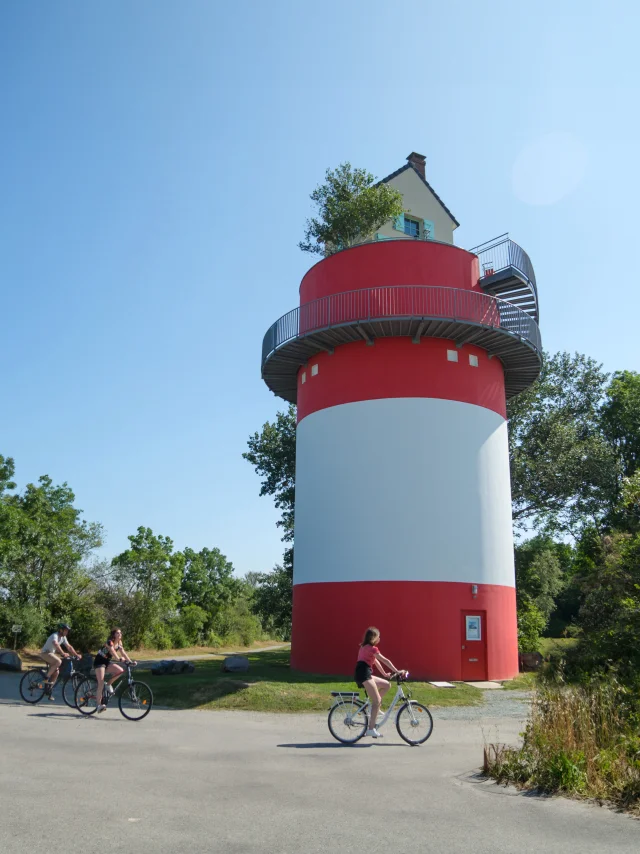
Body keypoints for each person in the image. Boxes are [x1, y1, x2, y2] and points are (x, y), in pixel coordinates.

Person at [355, 626, 405, 738]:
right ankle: (371, 729)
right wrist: (397, 671)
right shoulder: (373, 649)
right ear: (374, 638)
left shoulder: (365, 647)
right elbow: (384, 660)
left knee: (387, 685)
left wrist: (384, 674)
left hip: (363, 673)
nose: (380, 638)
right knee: (377, 700)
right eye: (379, 636)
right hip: (363, 675)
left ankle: (374, 706)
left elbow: (376, 662)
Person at [93, 628, 135, 713]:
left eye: (120, 633)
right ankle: (98, 705)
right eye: (117, 633)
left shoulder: (119, 643)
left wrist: (130, 662)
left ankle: (108, 685)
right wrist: (118, 659)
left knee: (120, 670)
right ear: (113, 635)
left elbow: (123, 652)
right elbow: (112, 652)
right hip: (99, 662)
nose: (120, 634)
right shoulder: (110, 642)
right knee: (101, 683)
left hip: (107, 662)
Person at [39, 623, 80, 701]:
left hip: (51, 654)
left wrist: (76, 655)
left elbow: (69, 647)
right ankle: (46, 677)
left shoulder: (63, 638)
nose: (67, 632)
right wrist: (63, 653)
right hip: (45, 653)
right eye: (65, 630)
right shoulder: (55, 635)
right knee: (58, 661)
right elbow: (56, 644)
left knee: (56, 673)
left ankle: (48, 691)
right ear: (61, 630)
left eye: (67, 631)